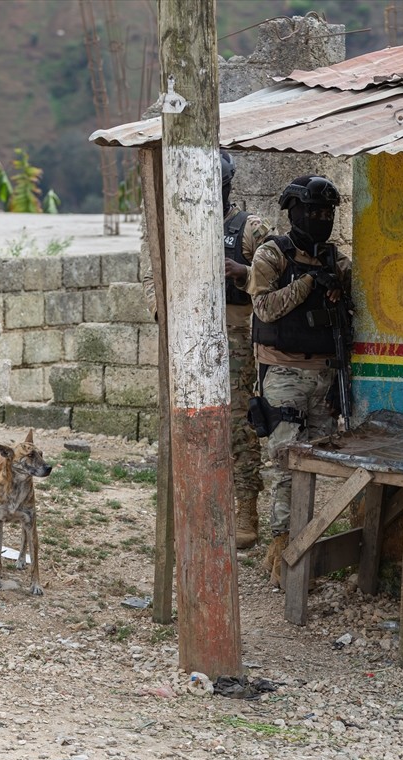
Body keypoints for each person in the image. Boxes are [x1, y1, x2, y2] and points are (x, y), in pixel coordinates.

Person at [141, 150, 271, 550]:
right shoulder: (174, 223)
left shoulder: (249, 228)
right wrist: (165, 312)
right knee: (188, 424)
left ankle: (245, 510)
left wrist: (244, 274)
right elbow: (152, 274)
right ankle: (197, 507)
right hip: (186, 335)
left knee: (235, 424)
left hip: (232, 337)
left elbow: (275, 279)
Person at [246, 175, 351, 587]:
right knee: (288, 467)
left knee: (316, 470)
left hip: (324, 375)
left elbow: (347, 319)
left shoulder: (335, 261)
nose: (321, 219)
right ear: (295, 212)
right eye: (314, 212)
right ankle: (283, 557)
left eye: (328, 213)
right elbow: (266, 309)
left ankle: (301, 555)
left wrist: (334, 291)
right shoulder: (273, 254)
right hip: (283, 373)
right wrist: (309, 283)